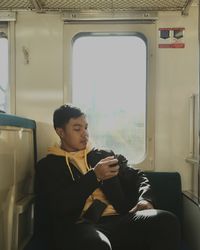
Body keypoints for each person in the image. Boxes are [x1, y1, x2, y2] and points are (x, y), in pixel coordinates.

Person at [34, 104, 181, 250]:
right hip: (81, 226)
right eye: (77, 129)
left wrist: (145, 199)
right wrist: (95, 176)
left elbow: (138, 176)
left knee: (165, 220)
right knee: (97, 244)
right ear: (60, 132)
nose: (85, 134)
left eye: (86, 127)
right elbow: (59, 205)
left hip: (120, 218)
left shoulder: (103, 156)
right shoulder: (48, 166)